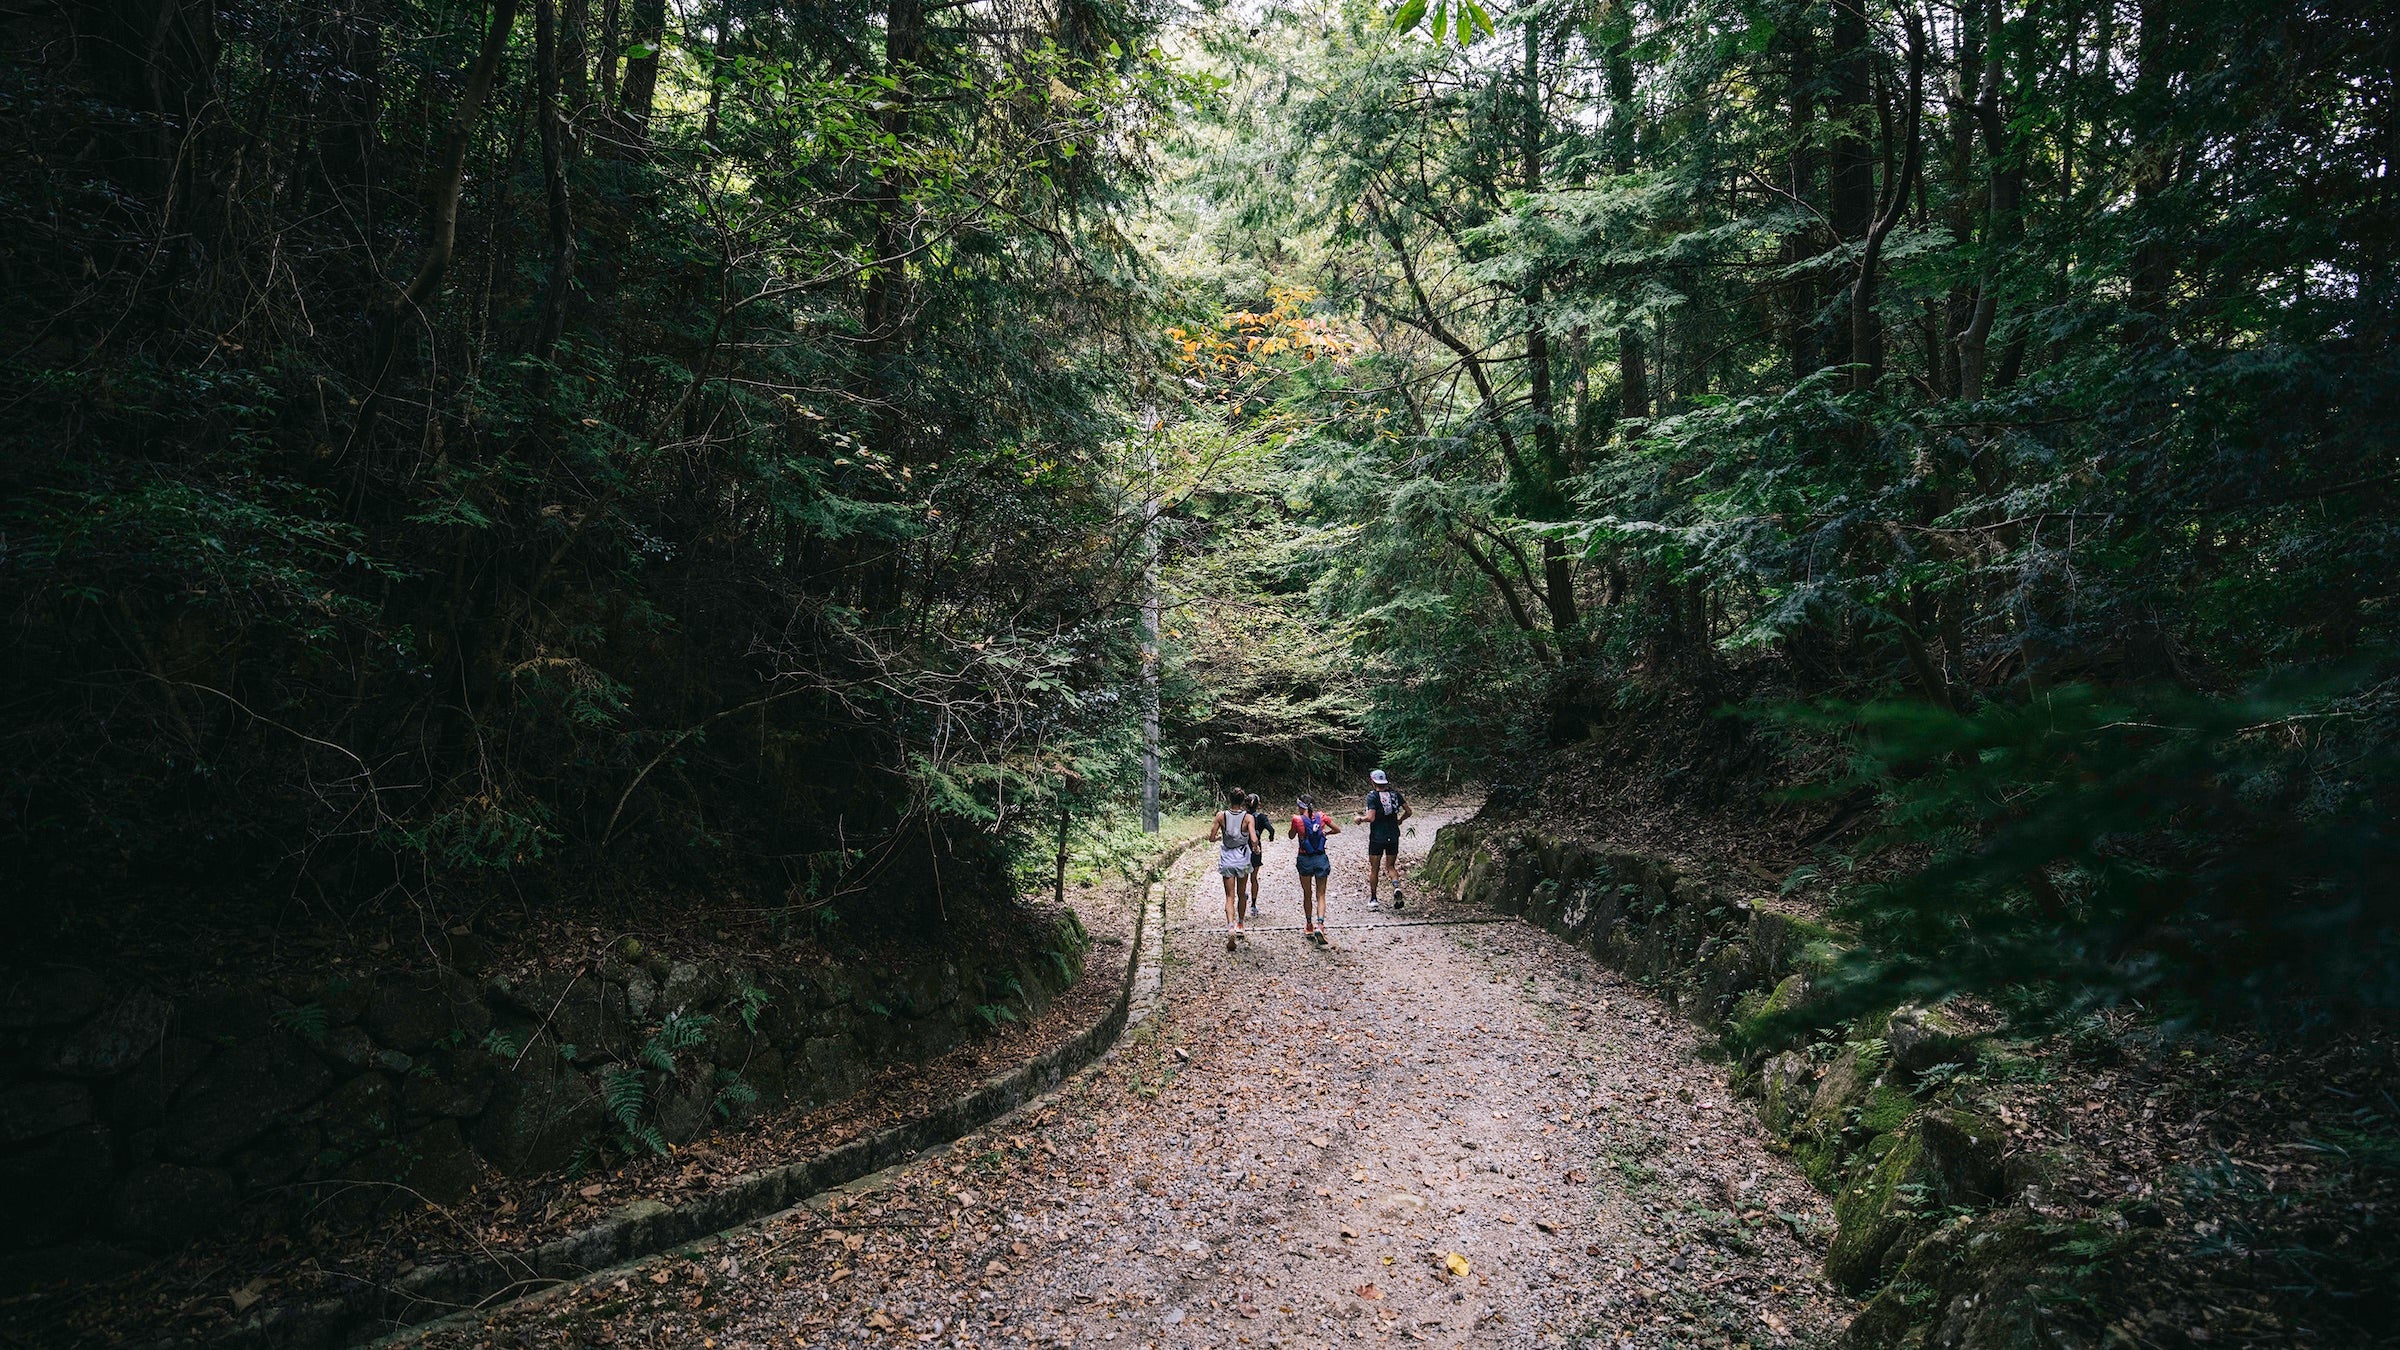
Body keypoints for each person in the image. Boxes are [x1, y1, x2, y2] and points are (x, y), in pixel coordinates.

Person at [1355, 768, 1411, 911]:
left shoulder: (1372, 796)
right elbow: (1409, 811)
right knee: (1390, 866)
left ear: (1373, 781)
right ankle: (1396, 887)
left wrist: (1360, 819)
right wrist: (1400, 820)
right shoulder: (1395, 794)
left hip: (1377, 837)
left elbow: (1371, 817)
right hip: (1393, 835)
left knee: (1374, 868)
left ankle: (1373, 899)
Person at [1209, 787, 1256, 952]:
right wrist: (1255, 848)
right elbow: (1254, 838)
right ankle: (1240, 924)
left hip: (1228, 860)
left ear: (1229, 800)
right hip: (1242, 860)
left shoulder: (1221, 816)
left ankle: (1230, 926)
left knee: (1229, 896)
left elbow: (1211, 837)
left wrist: (1223, 837)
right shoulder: (1248, 817)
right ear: (1243, 801)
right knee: (1242, 893)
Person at [1290, 794, 1341, 944]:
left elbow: (1291, 836)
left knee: (1307, 893)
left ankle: (1309, 924)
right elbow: (1337, 829)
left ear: (1301, 806)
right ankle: (1320, 925)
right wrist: (1326, 833)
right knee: (1321, 894)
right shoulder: (1322, 816)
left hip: (1305, 858)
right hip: (1320, 858)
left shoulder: (1297, 820)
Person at [1243, 792, 1274, 918]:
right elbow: (1271, 829)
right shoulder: (1261, 817)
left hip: (1244, 848)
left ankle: (1243, 894)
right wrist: (1271, 837)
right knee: (1254, 877)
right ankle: (1254, 905)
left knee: (1243, 876)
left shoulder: (1243, 816)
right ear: (1258, 804)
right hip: (1256, 848)